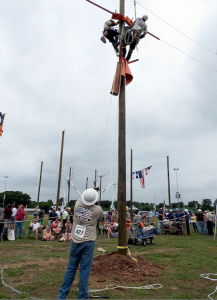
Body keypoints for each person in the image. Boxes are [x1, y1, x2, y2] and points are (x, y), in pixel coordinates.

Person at [57, 188, 103, 299]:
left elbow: (81, 197)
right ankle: (82, 297)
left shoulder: (77, 204)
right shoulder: (98, 209)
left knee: (71, 268)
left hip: (76, 240)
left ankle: (62, 296)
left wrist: (91, 191)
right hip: (88, 242)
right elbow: (99, 220)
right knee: (84, 270)